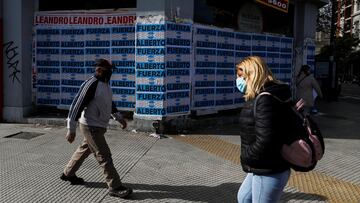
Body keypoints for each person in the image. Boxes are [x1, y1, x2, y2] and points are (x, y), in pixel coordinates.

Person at [60, 59, 133, 198]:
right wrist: (71, 129)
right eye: (108, 70)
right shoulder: (91, 84)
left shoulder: (105, 85)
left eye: (111, 70)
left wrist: (118, 117)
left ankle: (67, 174)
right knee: (104, 155)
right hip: (90, 125)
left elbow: (109, 104)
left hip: (99, 126)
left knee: (84, 150)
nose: (110, 72)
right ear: (99, 70)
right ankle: (115, 187)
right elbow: (77, 105)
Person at [236, 56, 291, 203]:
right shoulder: (264, 96)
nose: (238, 80)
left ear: (252, 75)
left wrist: (247, 156)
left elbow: (266, 140)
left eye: (241, 76)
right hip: (262, 164)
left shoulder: (265, 100)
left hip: (268, 167)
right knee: (243, 198)